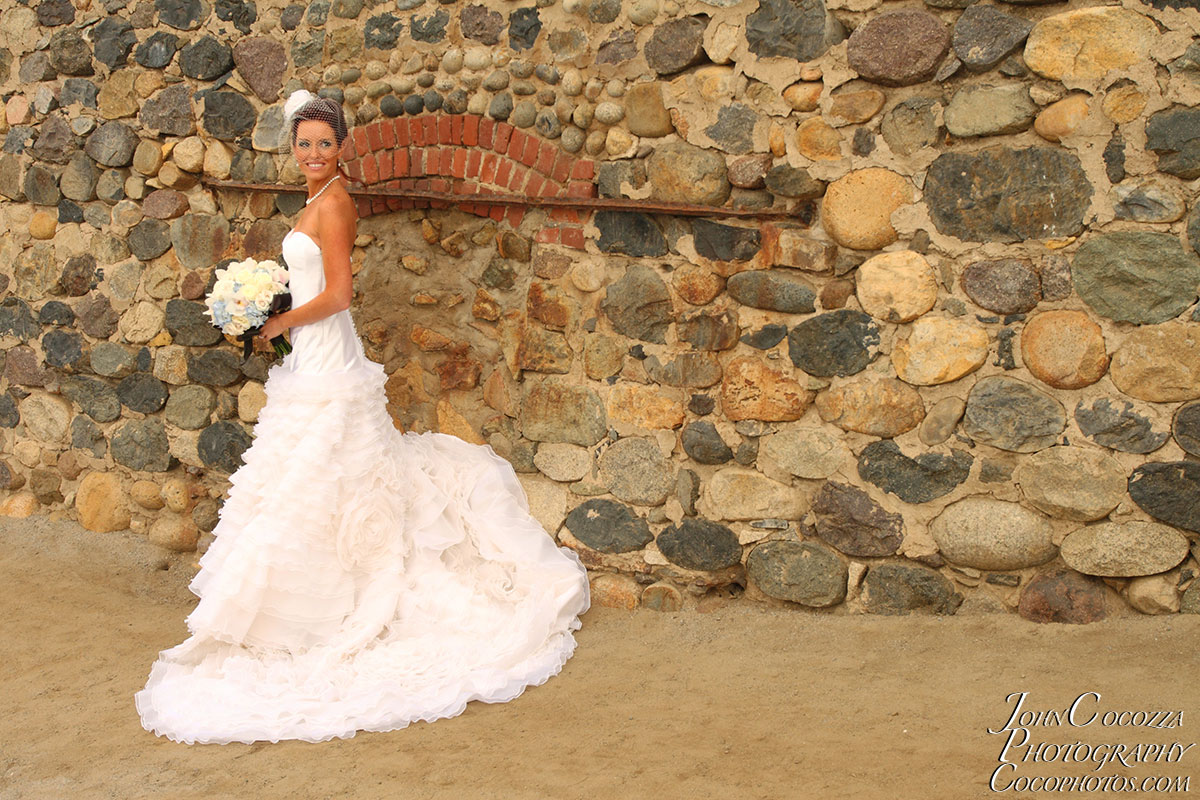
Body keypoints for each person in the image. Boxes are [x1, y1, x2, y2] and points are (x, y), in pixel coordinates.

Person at [135, 90, 590, 745]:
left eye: (325, 143)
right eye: (305, 143)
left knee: (324, 473)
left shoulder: (338, 202)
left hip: (329, 357)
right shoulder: (313, 201)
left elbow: (343, 293)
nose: (315, 153)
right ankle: (295, 615)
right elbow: (314, 282)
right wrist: (264, 304)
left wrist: (285, 318)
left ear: (341, 147)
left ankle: (328, 612)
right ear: (292, 148)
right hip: (311, 356)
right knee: (309, 480)